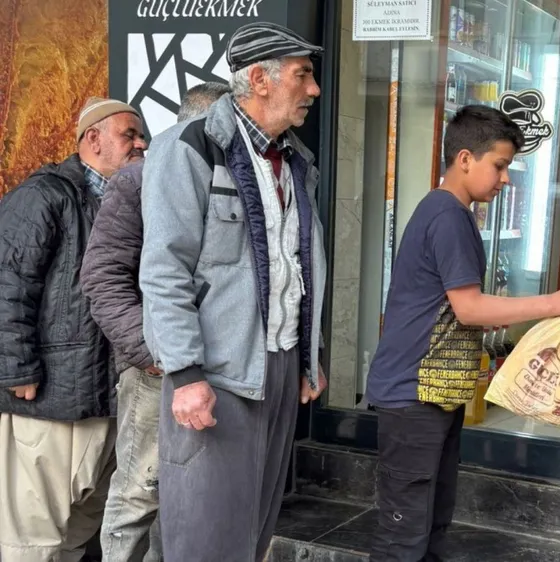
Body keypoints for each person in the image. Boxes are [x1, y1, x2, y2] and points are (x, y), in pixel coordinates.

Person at [366, 105, 560, 562]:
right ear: (465, 159)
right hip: (414, 395)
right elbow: (470, 309)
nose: (505, 179)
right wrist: (556, 303)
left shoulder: (449, 211)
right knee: (404, 537)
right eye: (500, 165)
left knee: (430, 525)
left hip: (432, 393)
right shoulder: (448, 216)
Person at [138, 23, 327, 562]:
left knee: (254, 531)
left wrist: (308, 357)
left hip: (280, 366)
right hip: (215, 374)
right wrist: (185, 374)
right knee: (206, 536)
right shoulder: (189, 147)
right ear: (260, 80)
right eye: (302, 75)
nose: (313, 90)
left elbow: (297, 263)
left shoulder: (295, 160)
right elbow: (164, 270)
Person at [81, 82, 232, 562]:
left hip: (221, 370)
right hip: (157, 373)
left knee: (192, 499)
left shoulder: (236, 177)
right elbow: (102, 277)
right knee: (139, 494)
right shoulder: (139, 179)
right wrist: (155, 354)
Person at [0, 97, 146, 562]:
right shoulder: (44, 195)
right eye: (130, 134)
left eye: (142, 136)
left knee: (80, 528)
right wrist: (16, 369)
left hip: (107, 398)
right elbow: (7, 282)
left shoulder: (132, 200)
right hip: (47, 400)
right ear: (92, 139)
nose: (141, 144)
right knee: (33, 536)